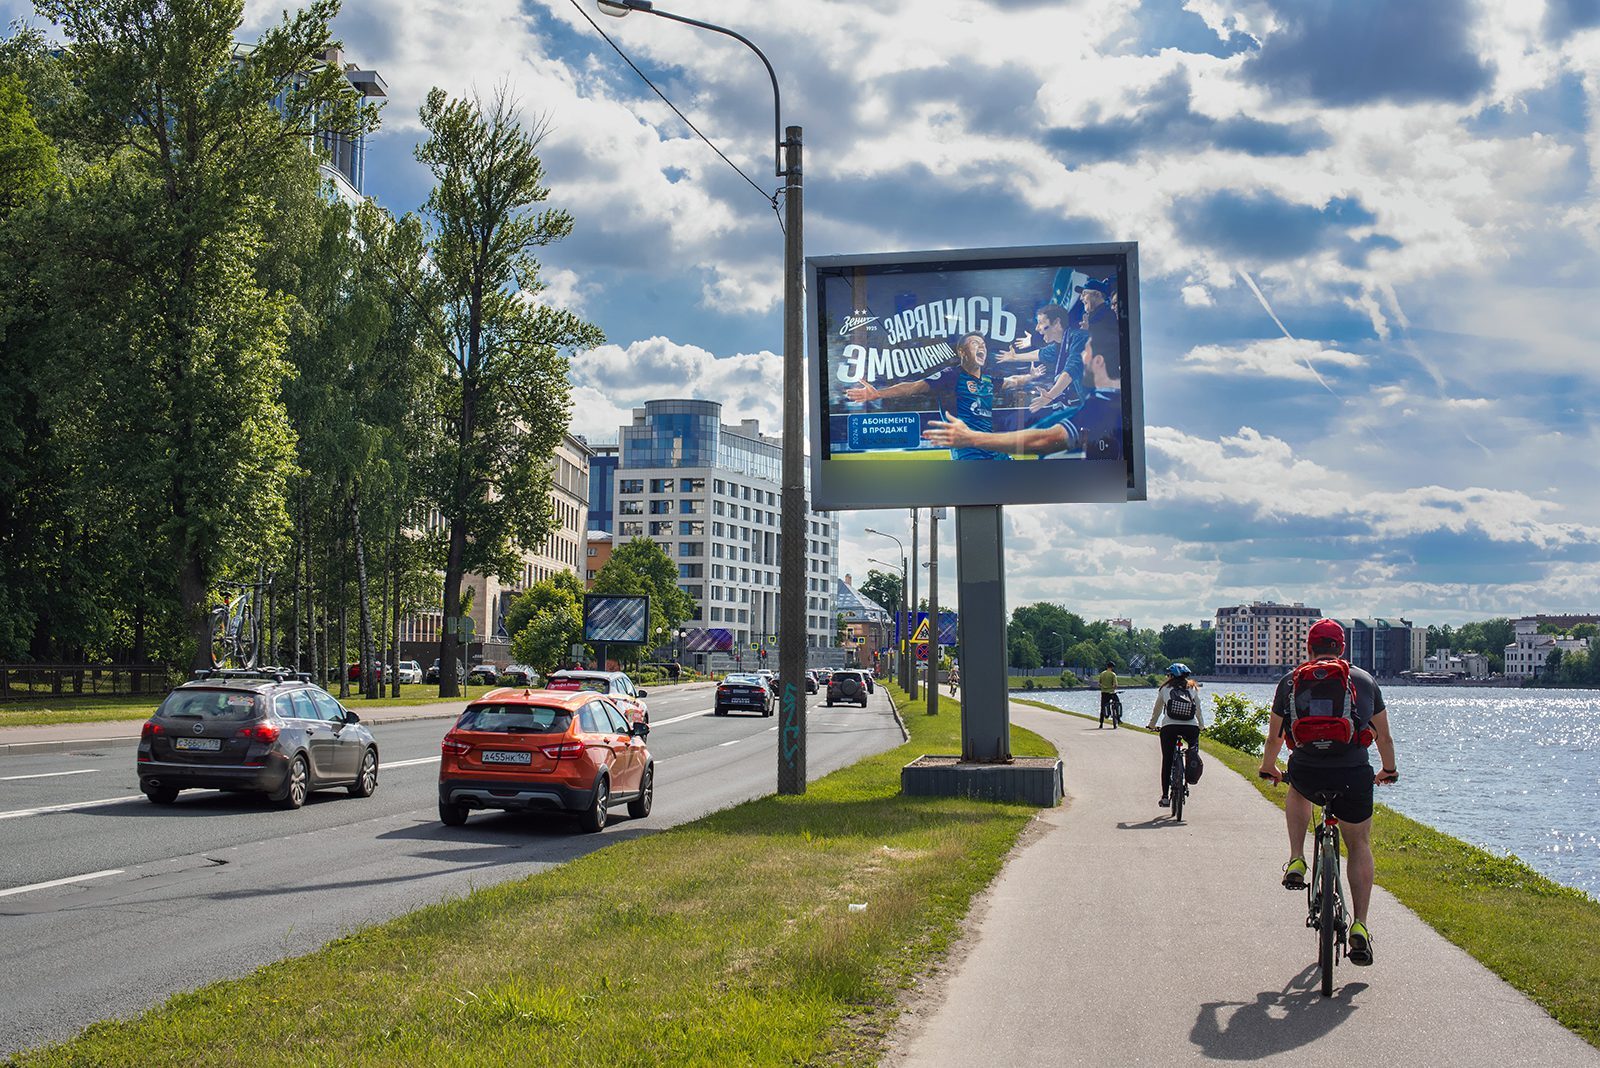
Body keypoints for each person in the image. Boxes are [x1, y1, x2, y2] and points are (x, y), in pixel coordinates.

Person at [1258, 619, 1399, 967]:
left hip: (1308, 769)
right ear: (1342, 648)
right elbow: (1383, 736)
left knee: (1297, 788)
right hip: (1352, 772)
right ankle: (1361, 927)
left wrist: (1269, 767)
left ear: (1308, 647)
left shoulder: (1290, 681)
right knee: (1359, 845)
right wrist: (1389, 771)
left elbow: (1275, 737)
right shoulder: (1363, 680)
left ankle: (1296, 857)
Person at [921, 324, 1121, 459]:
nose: (1081, 357)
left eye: (1085, 352)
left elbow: (1045, 439)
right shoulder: (1107, 401)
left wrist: (971, 438)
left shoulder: (1102, 407)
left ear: (1099, 361)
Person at [845, 333, 1043, 460]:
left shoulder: (989, 381)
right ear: (962, 352)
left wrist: (1031, 376)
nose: (981, 347)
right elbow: (913, 387)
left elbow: (1013, 380)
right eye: (975, 343)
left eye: (983, 344)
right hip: (968, 452)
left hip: (992, 447)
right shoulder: (951, 375)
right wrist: (879, 393)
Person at [1145, 663, 1204, 807]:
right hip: (1190, 727)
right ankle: (1191, 765)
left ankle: (1165, 797)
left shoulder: (1164, 688)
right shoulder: (1192, 688)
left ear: (1170, 676)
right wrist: (1201, 726)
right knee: (1193, 750)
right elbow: (1198, 710)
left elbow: (1157, 710)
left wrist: (1152, 725)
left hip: (1169, 727)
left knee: (1167, 760)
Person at [1097, 661, 1119, 728]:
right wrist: (1114, 687)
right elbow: (1115, 685)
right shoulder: (1113, 674)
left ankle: (1101, 723)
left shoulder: (1102, 674)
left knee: (1103, 707)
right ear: (1112, 667)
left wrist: (1103, 687)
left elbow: (1099, 683)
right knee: (1117, 702)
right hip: (1111, 692)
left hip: (1104, 693)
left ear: (1107, 666)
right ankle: (1118, 718)